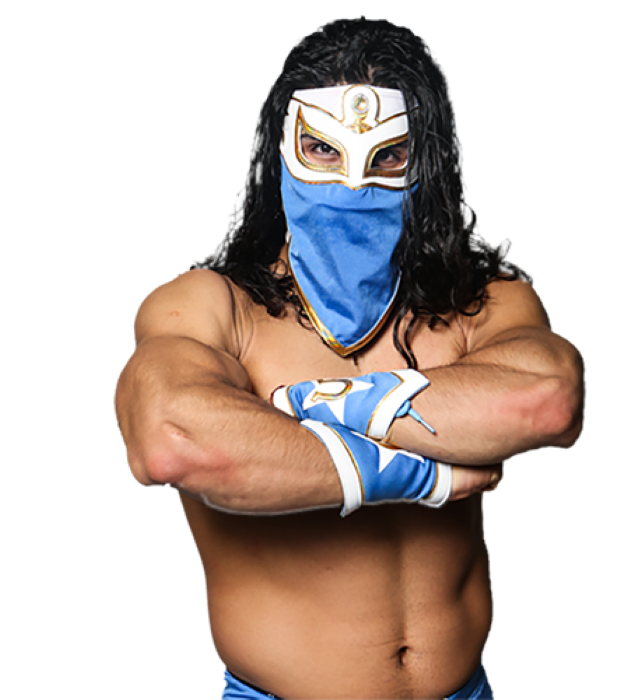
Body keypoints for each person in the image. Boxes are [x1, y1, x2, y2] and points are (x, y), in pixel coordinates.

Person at [114, 17, 585, 700]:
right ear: (280, 150)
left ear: (427, 162)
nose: (352, 185)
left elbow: (545, 402)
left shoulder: (477, 299)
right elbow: (173, 442)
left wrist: (308, 407)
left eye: (389, 157)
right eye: (321, 150)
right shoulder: (214, 306)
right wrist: (427, 472)